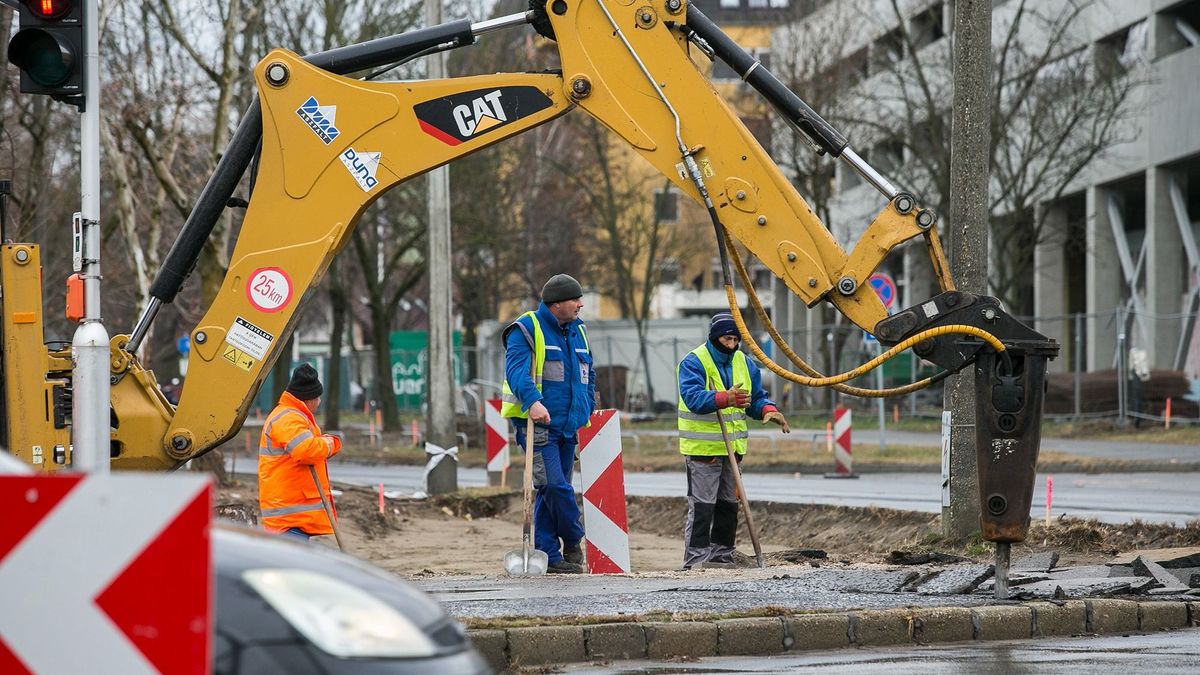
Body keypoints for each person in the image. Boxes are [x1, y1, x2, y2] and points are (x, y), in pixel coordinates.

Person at [677, 313, 790, 570]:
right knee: (703, 508)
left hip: (733, 451)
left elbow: (756, 397)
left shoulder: (745, 364)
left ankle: (721, 558)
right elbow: (693, 398)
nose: (732, 344)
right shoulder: (694, 362)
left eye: (736, 339)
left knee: (728, 506)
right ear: (716, 337)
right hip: (703, 450)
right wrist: (724, 398)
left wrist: (766, 410)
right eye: (728, 338)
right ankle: (695, 562)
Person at [500, 274, 596, 574]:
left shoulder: (579, 331)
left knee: (548, 490)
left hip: (569, 425)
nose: (581, 304)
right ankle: (573, 539)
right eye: (575, 299)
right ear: (556, 305)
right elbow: (516, 372)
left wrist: (587, 407)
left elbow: (588, 374)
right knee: (555, 486)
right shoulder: (526, 329)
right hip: (538, 426)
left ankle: (550, 557)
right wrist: (533, 402)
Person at [258, 363, 343, 542]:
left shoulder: (294, 416)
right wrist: (331, 443)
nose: (319, 402)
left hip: (293, 517)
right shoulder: (288, 418)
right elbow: (307, 450)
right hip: (288, 519)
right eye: (318, 398)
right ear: (309, 399)